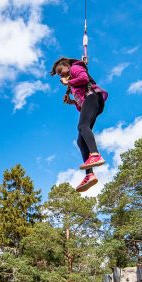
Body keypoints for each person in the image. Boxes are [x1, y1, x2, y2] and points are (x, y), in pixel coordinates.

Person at [50, 57, 108, 193]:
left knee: (82, 127)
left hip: (93, 97)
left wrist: (68, 82)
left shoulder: (75, 68)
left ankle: (95, 154)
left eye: (61, 71)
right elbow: (82, 107)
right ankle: (89, 175)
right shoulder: (72, 84)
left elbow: (84, 79)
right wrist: (71, 101)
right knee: (81, 141)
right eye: (58, 74)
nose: (61, 75)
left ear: (67, 66)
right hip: (91, 101)